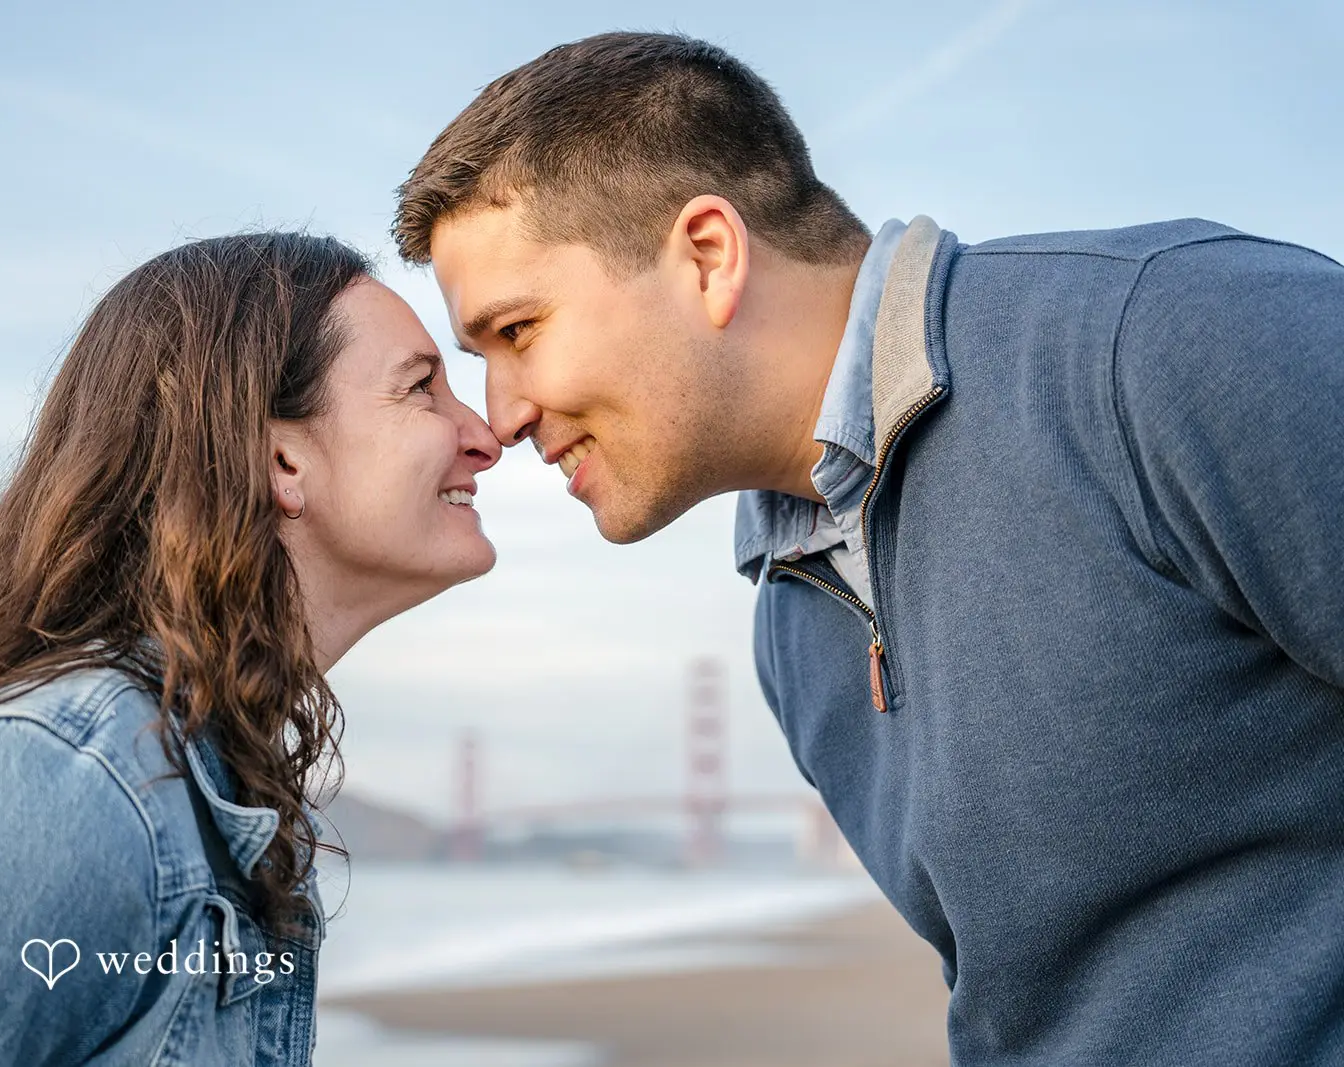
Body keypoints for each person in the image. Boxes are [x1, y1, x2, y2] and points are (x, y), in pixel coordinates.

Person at [394, 30, 1344, 1065]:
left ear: (708, 255)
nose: (503, 414)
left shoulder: (1166, 339)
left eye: (517, 330)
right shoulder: (790, 623)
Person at [0, 232, 500, 1065]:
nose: (484, 434)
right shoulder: (55, 786)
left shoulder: (198, 781)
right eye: (422, 388)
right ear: (283, 457)